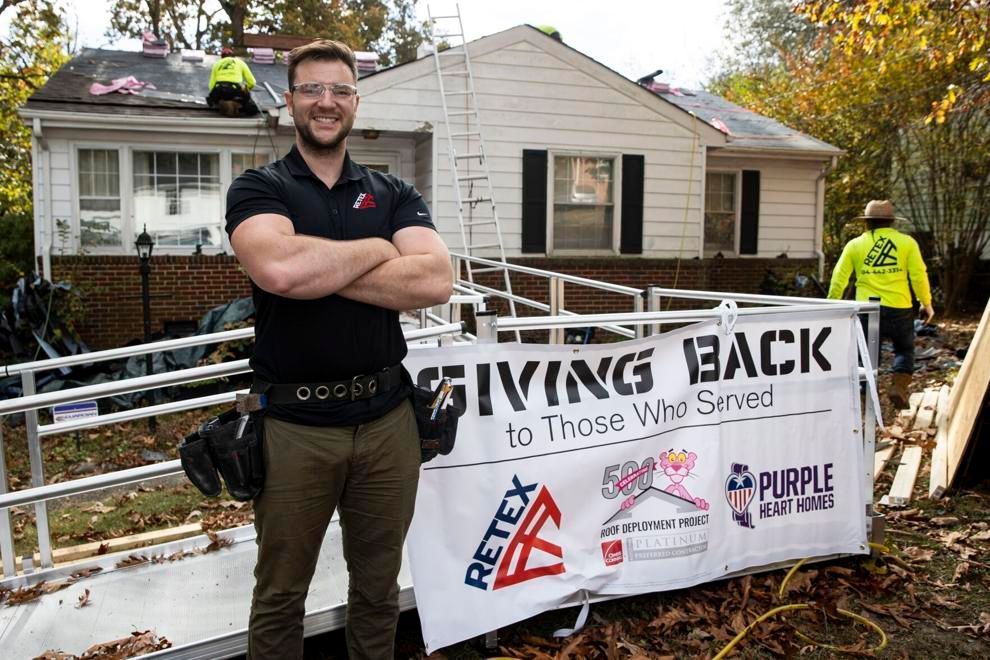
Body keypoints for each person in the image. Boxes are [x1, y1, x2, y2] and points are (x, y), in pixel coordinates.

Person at [224, 39, 453, 659]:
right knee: (279, 596)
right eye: (312, 90)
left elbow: (434, 280)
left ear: (356, 101)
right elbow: (279, 272)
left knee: (378, 590)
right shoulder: (258, 187)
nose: (327, 102)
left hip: (386, 423)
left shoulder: (392, 193)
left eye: (340, 90)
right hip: (295, 427)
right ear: (290, 101)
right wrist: (382, 253)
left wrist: (320, 264)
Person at [827, 199, 934, 408]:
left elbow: (839, 276)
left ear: (867, 222)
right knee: (904, 349)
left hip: (867, 309)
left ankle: (865, 397)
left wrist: (832, 303)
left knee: (866, 354)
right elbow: (918, 275)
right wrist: (925, 302)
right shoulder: (907, 243)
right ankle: (898, 387)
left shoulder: (855, 245)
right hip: (899, 307)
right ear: (892, 222)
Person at [207, 46, 259, 117]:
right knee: (251, 105)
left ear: (222, 56)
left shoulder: (217, 64)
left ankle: (221, 104)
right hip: (234, 91)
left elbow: (211, 85)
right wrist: (246, 89)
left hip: (219, 91)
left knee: (213, 97)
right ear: (232, 55)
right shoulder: (240, 62)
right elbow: (252, 82)